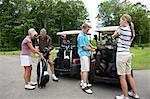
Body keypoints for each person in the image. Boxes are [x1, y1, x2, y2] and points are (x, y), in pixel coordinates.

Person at [112, 14, 140, 99]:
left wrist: (119, 27)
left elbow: (113, 36)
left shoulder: (122, 29)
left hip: (121, 55)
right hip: (128, 54)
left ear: (125, 21)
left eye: (121, 20)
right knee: (129, 75)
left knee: (122, 77)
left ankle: (125, 96)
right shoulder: (131, 32)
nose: (120, 22)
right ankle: (134, 94)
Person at [77, 23, 96, 94]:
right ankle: (85, 86)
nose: (88, 31)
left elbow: (87, 43)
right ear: (84, 28)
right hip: (83, 54)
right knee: (85, 70)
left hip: (86, 54)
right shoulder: (81, 36)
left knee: (83, 69)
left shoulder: (84, 35)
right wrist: (92, 50)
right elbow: (84, 47)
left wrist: (92, 46)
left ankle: (83, 82)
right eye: (88, 29)